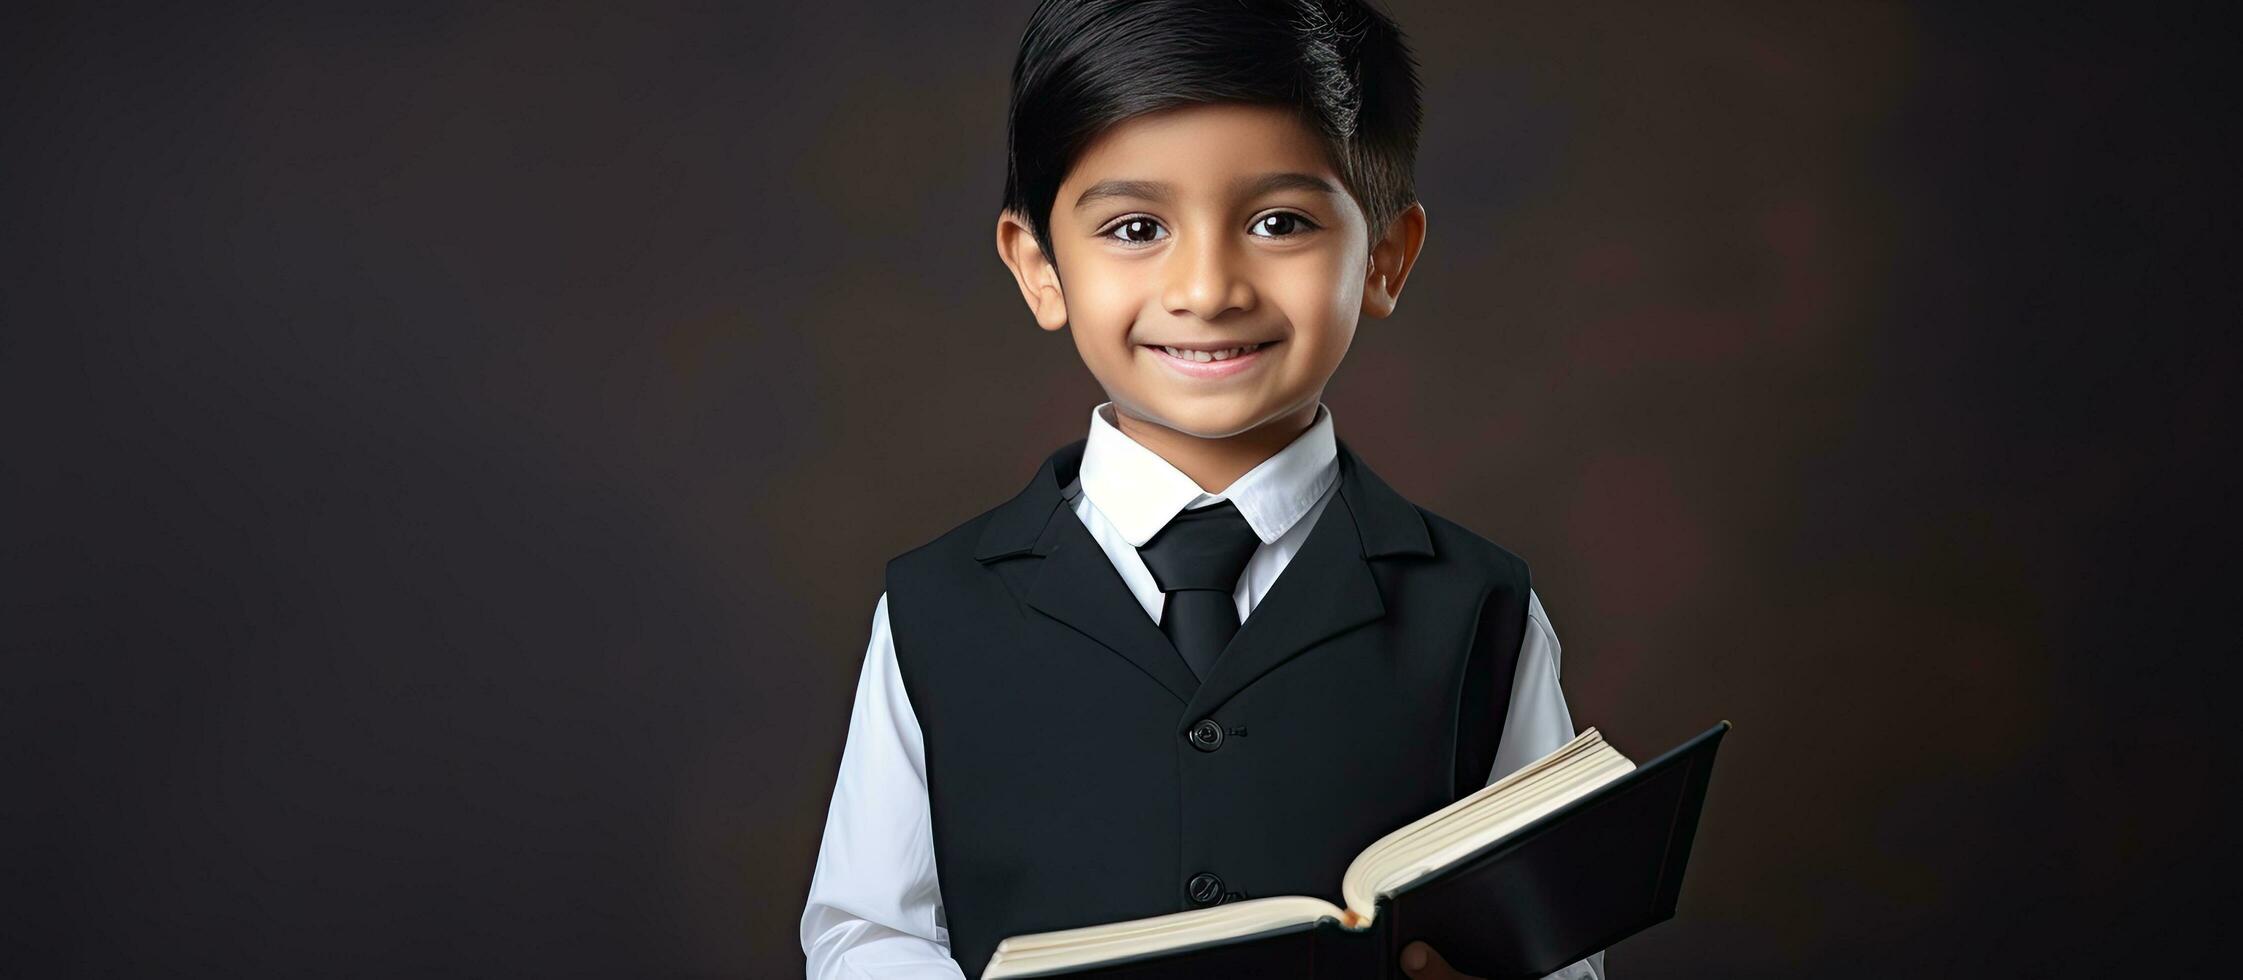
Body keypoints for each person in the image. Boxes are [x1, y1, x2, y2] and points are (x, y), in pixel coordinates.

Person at [802, 1, 1603, 977]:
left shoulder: (1483, 608)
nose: (1208, 286)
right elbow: (865, 930)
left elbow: (1557, 952)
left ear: (1385, 257)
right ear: (1039, 267)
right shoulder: (933, 607)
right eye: (1136, 226)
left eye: (1279, 222)